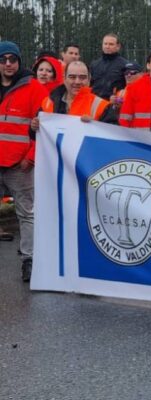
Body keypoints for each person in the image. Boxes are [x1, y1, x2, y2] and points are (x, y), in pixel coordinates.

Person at [0, 41, 47, 282]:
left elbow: (45, 128)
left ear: (19, 61)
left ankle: (29, 260)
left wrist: (31, 157)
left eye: (12, 59)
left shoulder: (34, 89)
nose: (8, 63)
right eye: (3, 59)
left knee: (26, 214)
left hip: (20, 165)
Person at [37, 61, 116, 123]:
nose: (77, 81)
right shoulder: (48, 102)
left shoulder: (102, 106)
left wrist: (96, 126)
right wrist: (34, 127)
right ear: (64, 79)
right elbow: (36, 133)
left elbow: (112, 135)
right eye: (72, 77)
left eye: (82, 77)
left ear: (89, 79)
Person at [90, 33, 129, 99]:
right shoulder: (94, 64)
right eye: (105, 44)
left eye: (111, 44)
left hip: (114, 104)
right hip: (96, 104)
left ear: (118, 46)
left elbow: (129, 86)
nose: (107, 46)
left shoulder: (125, 65)